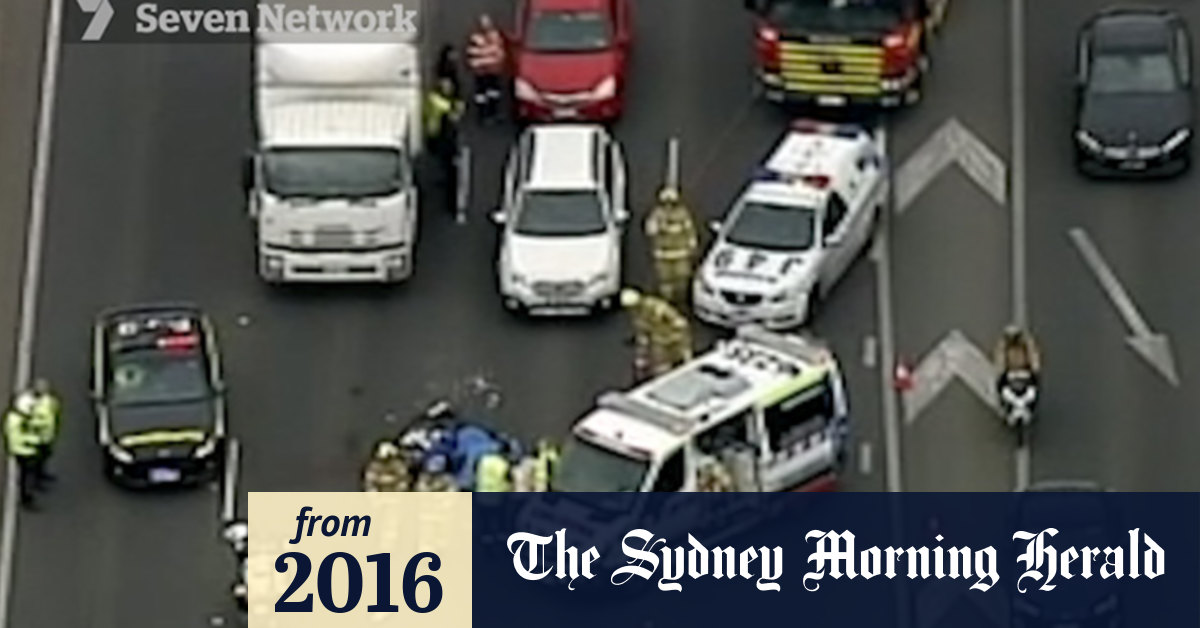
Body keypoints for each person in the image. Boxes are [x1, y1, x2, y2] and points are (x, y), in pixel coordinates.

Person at [645, 186, 699, 307]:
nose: (668, 206)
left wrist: (692, 246)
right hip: (663, 255)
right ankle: (667, 304)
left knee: (681, 281)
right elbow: (650, 230)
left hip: (680, 255)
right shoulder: (657, 215)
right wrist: (659, 226)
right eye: (666, 203)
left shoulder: (683, 214)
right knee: (665, 283)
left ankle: (680, 303)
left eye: (672, 204)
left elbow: (690, 232)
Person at [621, 288, 693, 377]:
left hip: (671, 338)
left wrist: (681, 341)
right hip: (658, 340)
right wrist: (642, 357)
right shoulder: (637, 315)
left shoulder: (657, 308)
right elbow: (642, 333)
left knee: (671, 363)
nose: (631, 311)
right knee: (658, 365)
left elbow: (680, 323)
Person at [424, 78, 465, 207]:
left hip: (434, 132)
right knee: (447, 167)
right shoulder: (439, 103)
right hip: (437, 135)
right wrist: (457, 107)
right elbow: (450, 111)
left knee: (442, 163)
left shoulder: (433, 98)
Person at [4, 395, 43, 508]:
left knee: (26, 474)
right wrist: (34, 440)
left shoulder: (16, 418)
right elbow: (17, 438)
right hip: (22, 451)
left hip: (24, 450)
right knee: (25, 475)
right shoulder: (15, 421)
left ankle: (26, 494)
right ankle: (25, 498)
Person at [466, 15, 506, 122]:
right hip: (481, 72)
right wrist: (489, 54)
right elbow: (471, 53)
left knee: (494, 94)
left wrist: (484, 55)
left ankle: (493, 113)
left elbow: (499, 53)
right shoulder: (476, 39)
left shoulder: (495, 36)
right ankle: (483, 115)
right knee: (481, 96)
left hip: (493, 71)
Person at [21, 379, 59, 487]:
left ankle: (40, 474)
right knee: (29, 465)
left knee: (41, 459)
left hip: (45, 437)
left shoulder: (48, 401)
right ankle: (30, 487)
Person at [993, 325, 1042, 403]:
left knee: (1035, 385)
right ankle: (1003, 402)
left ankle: (1032, 403)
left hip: (1025, 372)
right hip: (1010, 373)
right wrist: (1001, 371)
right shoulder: (1004, 345)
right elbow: (1000, 358)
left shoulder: (1026, 343)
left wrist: (1034, 369)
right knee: (1000, 385)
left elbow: (1033, 355)